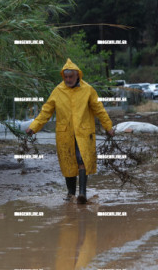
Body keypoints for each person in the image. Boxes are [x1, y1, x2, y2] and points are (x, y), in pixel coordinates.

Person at [26, 58, 114, 204]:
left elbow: (100, 110)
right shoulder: (58, 91)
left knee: (82, 160)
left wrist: (108, 127)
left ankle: (82, 194)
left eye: (70, 77)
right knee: (68, 164)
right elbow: (46, 112)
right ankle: (71, 193)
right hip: (65, 134)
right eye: (65, 77)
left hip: (84, 133)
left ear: (77, 75)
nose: (68, 80)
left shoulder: (88, 90)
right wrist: (34, 127)